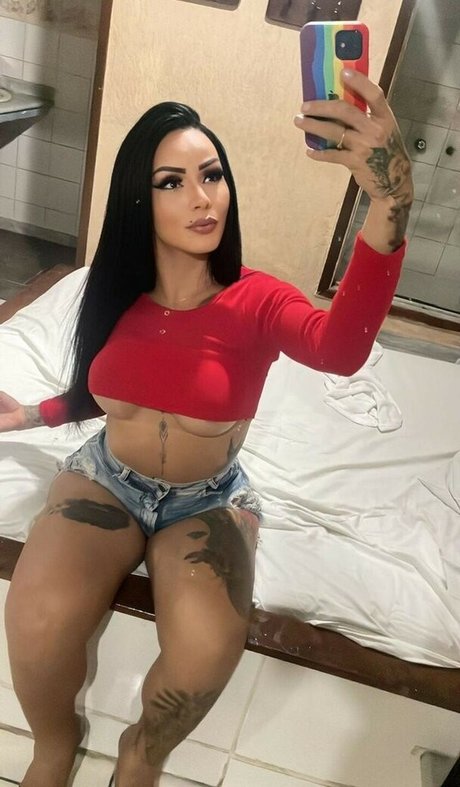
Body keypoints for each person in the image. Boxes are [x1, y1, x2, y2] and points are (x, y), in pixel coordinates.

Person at [1, 69, 412, 787]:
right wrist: (33, 414)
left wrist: (390, 201)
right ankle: (54, 745)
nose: (201, 197)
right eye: (172, 182)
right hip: (106, 479)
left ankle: (141, 756)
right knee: (35, 617)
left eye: (212, 175)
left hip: (207, 499)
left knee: (206, 651)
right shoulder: (111, 290)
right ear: (139, 199)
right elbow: (106, 393)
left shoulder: (258, 300)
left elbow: (340, 351)